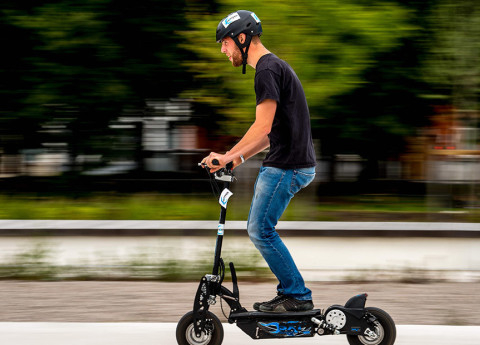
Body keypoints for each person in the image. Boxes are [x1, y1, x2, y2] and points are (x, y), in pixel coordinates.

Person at [202, 10, 316, 313]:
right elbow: (270, 134)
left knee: (259, 230)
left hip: (286, 165)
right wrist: (236, 159)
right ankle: (294, 293)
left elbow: (262, 127)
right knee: (261, 228)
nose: (223, 50)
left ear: (242, 38)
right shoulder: (274, 67)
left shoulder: (266, 70)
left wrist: (225, 156)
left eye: (224, 43)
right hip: (291, 162)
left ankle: (296, 295)